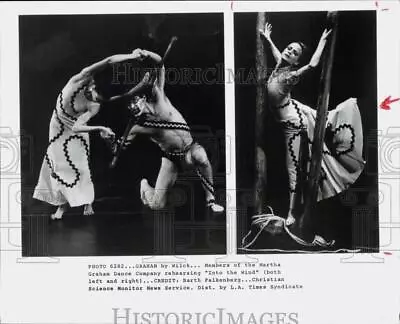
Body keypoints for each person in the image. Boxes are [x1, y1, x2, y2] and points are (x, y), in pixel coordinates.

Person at [259, 22, 365, 227]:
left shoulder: (290, 76)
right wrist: (268, 38)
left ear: (296, 62)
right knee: (293, 167)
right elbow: (277, 53)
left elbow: (313, 65)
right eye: (289, 48)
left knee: (293, 169)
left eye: (294, 52)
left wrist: (323, 41)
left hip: (293, 124)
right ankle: (292, 212)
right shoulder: (281, 66)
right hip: (293, 109)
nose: (289, 51)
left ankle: (291, 214)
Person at [33, 50, 147, 220]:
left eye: (101, 100)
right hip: (59, 124)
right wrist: (132, 56)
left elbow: (80, 126)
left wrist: (141, 86)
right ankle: (62, 206)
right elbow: (109, 59)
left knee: (80, 166)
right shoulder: (80, 79)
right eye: (97, 97)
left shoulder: (96, 104)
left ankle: (88, 201)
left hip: (79, 127)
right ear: (92, 86)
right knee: (58, 164)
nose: (97, 101)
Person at [117, 48, 224, 213]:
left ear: (142, 97)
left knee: (201, 157)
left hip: (190, 149)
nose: (136, 106)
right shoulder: (139, 126)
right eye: (132, 106)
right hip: (171, 160)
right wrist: (110, 140)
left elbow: (160, 63)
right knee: (156, 205)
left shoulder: (160, 97)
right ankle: (145, 186)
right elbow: (119, 148)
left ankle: (210, 201)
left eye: (136, 100)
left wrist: (146, 53)